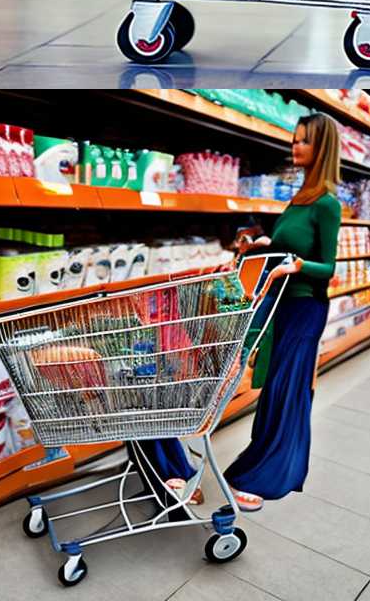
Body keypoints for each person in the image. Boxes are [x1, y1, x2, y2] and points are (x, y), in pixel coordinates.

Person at [136, 113, 342, 511]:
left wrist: (299, 266)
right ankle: (256, 465)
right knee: (273, 391)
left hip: (305, 308)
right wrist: (262, 242)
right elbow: (285, 246)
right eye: (295, 139)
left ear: (322, 149)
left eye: (304, 141)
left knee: (288, 390)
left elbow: (328, 268)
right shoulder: (299, 199)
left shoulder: (327, 204)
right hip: (282, 304)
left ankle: (272, 475)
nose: (295, 146)